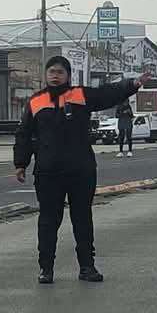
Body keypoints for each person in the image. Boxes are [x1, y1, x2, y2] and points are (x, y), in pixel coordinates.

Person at [14, 56, 149, 284]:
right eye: (51, 72)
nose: (55, 76)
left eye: (60, 72)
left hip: (80, 170)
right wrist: (20, 163)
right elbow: (24, 134)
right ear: (46, 75)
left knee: (82, 219)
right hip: (48, 172)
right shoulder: (36, 101)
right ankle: (46, 269)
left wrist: (132, 84)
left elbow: (107, 93)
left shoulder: (80, 95)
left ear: (68, 76)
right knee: (48, 221)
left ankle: (87, 267)